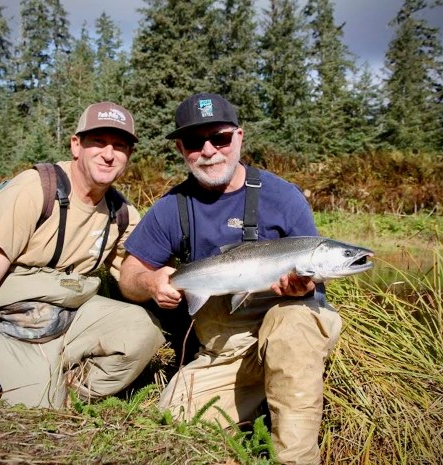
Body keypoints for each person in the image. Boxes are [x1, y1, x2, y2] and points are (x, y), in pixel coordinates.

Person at [119, 93, 342, 464]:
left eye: (219, 138)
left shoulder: (282, 197)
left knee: (291, 322)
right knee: (172, 417)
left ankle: (296, 456)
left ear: (239, 137)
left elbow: (318, 278)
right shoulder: (171, 208)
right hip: (226, 350)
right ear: (180, 148)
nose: (209, 150)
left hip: (289, 332)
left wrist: (303, 288)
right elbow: (130, 275)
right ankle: (269, 397)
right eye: (195, 142)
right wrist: (151, 283)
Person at [0, 102, 165, 408]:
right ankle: (34, 384)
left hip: (68, 314)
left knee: (142, 330)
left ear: (128, 155)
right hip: (7, 322)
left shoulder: (122, 213)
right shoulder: (36, 190)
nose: (108, 153)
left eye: (120, 146)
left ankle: (68, 387)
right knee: (33, 412)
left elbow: (133, 276)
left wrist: (159, 282)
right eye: (98, 142)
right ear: (76, 145)